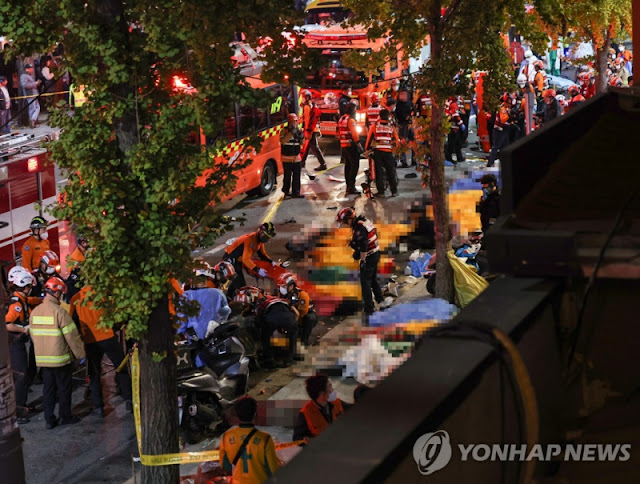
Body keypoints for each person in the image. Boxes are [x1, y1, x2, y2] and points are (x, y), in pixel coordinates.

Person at [30, 277, 86, 429]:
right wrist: (81, 355)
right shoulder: (60, 312)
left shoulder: (35, 312)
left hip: (43, 360)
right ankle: (65, 416)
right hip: (60, 359)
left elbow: (34, 336)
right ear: (56, 293)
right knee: (64, 388)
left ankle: (49, 420)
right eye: (60, 294)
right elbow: (72, 337)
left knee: (48, 389)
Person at [70, 284, 133, 416]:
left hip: (90, 340)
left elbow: (73, 321)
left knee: (94, 374)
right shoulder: (103, 294)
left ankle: (98, 406)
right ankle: (129, 399)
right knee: (121, 367)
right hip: (107, 336)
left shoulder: (75, 298)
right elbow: (117, 315)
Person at [336, 208, 390, 318]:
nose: (345, 224)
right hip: (375, 253)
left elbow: (364, 246)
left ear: (349, 219)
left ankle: (369, 308)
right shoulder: (363, 221)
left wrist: (363, 261)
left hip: (369, 256)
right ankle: (380, 301)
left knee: (365, 283)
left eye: (345, 222)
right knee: (373, 279)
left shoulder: (359, 228)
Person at [219, 396, 282, 483]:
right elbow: (273, 471)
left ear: (237, 414)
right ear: (255, 413)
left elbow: (225, 467)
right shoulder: (265, 439)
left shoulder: (226, 437)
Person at [5, 267, 37, 424]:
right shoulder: (16, 304)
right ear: (25, 287)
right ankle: (18, 411)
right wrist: (24, 329)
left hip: (17, 343)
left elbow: (31, 301)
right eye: (29, 286)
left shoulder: (20, 300)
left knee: (24, 374)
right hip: (15, 343)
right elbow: (7, 324)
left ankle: (23, 406)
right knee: (21, 375)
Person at [223, 222, 277, 299]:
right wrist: (257, 270)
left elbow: (262, 254)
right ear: (260, 232)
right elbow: (246, 259)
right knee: (239, 281)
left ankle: (230, 296)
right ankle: (230, 297)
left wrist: (271, 262)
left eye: (268, 237)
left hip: (238, 260)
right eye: (265, 236)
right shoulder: (250, 240)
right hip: (231, 259)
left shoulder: (259, 241)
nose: (266, 239)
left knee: (239, 281)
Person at [293, 374, 345, 441]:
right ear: (322, 394)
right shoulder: (305, 414)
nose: (333, 389)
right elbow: (297, 439)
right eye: (330, 386)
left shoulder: (337, 402)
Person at [255, 294, 301, 368]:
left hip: (272, 319)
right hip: (288, 318)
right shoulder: (283, 301)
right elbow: (297, 314)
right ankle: (290, 356)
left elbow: (258, 319)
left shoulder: (263, 303)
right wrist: (292, 323)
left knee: (265, 337)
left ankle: (269, 359)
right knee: (293, 335)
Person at [365, 108, 400, 197]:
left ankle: (381, 192)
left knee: (379, 172)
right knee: (391, 171)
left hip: (378, 152)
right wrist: (396, 150)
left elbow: (369, 139)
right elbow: (397, 140)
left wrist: (366, 149)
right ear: (388, 116)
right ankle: (394, 191)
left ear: (379, 116)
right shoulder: (391, 127)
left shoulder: (374, 126)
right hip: (388, 152)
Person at [278, 272, 316, 347]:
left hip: (303, 316)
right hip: (291, 315)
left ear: (291, 286)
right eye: (281, 286)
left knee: (309, 318)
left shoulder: (302, 295)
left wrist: (294, 322)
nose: (281, 288)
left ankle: (304, 341)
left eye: (284, 286)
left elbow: (302, 312)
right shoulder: (282, 294)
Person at [338, 102, 362, 195]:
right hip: (351, 145)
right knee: (354, 165)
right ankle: (351, 187)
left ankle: (348, 185)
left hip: (344, 145)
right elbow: (354, 134)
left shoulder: (342, 118)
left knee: (347, 165)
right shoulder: (351, 120)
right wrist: (359, 145)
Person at [300, 91, 327, 172]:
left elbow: (307, 119)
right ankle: (302, 162)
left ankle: (323, 164)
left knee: (314, 147)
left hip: (310, 129)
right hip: (313, 128)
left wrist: (307, 130)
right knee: (307, 146)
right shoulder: (311, 105)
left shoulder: (306, 107)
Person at [280, 113, 305, 198]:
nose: (294, 123)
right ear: (289, 122)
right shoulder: (284, 130)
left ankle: (296, 192)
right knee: (287, 176)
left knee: (297, 176)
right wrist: (291, 133)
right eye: (293, 121)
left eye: (295, 121)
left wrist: (302, 137)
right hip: (286, 158)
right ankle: (286, 191)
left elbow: (301, 143)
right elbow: (282, 141)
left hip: (296, 158)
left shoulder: (298, 130)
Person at [487, 94, 511, 167]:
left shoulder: (505, 108)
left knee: (506, 147)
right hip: (499, 130)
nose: (510, 103)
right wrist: (510, 116)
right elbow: (503, 120)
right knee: (495, 147)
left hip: (503, 130)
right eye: (509, 101)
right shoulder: (502, 108)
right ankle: (490, 163)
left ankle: (506, 163)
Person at [20, 64, 42, 129]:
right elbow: (25, 85)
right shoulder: (23, 76)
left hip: (34, 94)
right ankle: (32, 121)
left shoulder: (30, 76)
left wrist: (37, 83)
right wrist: (35, 83)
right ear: (27, 69)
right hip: (30, 94)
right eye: (30, 68)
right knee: (32, 108)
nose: (32, 69)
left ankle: (33, 119)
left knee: (37, 108)